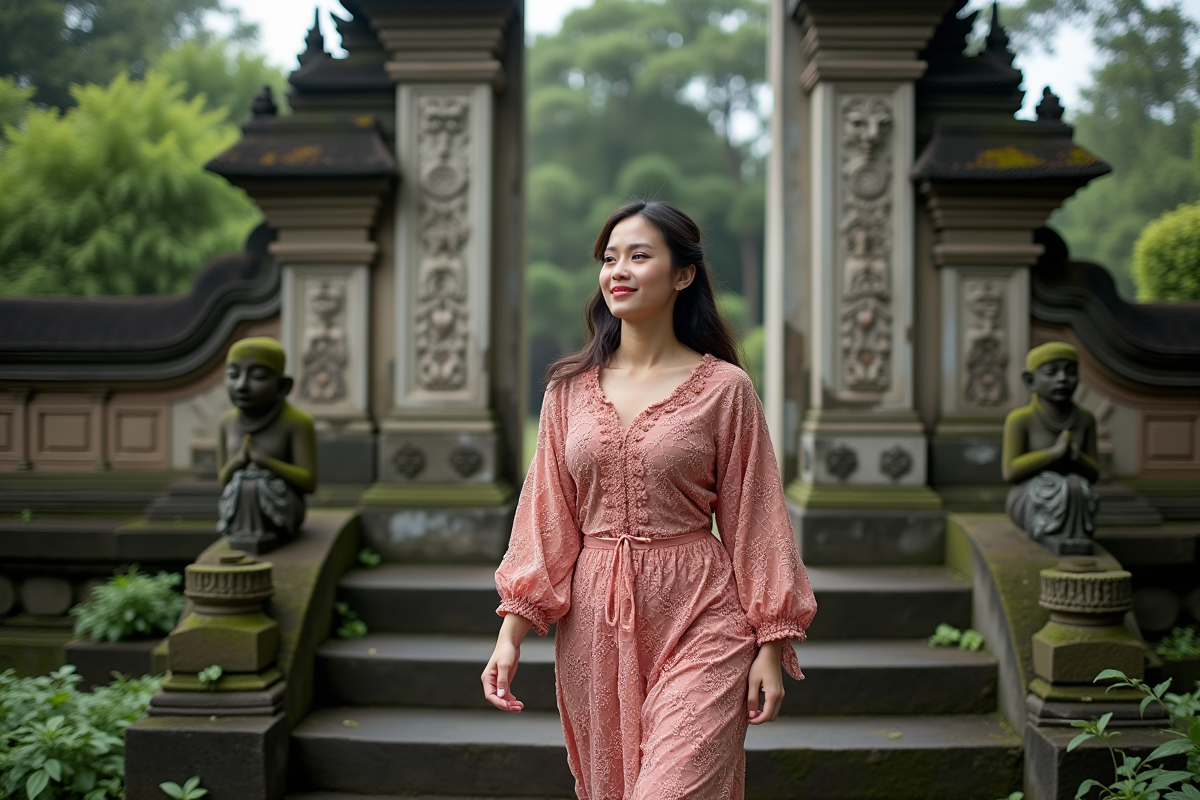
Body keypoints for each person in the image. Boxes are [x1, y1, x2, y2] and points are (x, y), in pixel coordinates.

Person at [482, 201, 816, 800]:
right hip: (594, 622)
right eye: (609, 258)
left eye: (639, 255)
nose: (619, 271)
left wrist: (772, 641)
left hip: (703, 611)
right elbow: (545, 518)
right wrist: (509, 635)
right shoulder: (568, 391)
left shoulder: (725, 389)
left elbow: (757, 516)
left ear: (683, 274)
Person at [216, 336, 317, 555]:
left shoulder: (297, 422)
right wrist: (237, 462)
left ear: (283, 386)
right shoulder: (227, 422)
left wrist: (267, 462)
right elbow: (223, 479)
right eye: (233, 375)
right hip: (239, 502)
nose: (241, 386)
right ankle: (242, 532)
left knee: (255, 484)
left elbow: (309, 482)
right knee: (245, 483)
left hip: (281, 506)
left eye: (258, 376)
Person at [1002, 341, 1100, 554]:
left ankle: (1074, 536)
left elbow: (1094, 473)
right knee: (1057, 486)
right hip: (1030, 493)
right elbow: (1010, 471)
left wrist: (1077, 457)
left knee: (1076, 487)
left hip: (1074, 492)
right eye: (1051, 372)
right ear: (1030, 380)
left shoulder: (1085, 419)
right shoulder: (1020, 419)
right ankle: (1048, 530)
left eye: (1070, 371)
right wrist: (1052, 454)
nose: (1062, 378)